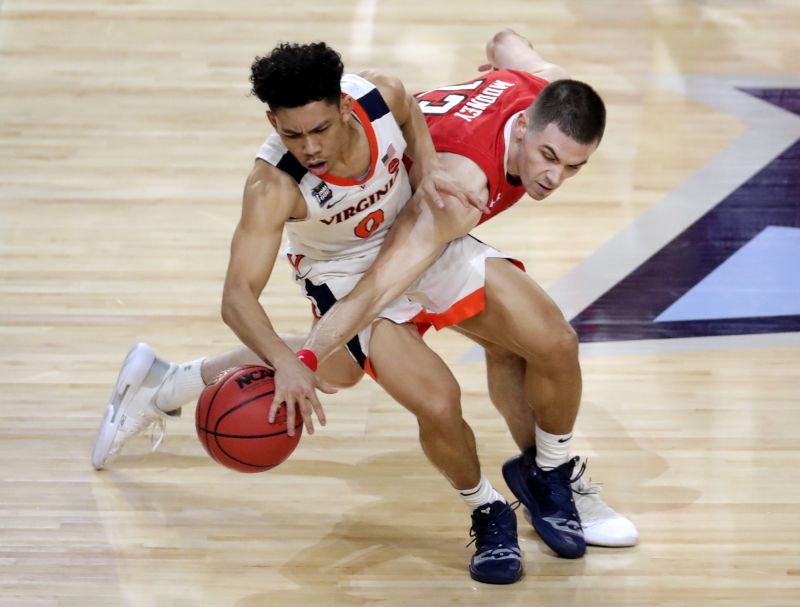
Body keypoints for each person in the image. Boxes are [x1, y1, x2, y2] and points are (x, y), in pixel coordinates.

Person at [92, 31, 636, 586]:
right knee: (433, 398)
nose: (309, 147)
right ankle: (486, 507)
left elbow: (418, 112)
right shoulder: (271, 186)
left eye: (321, 128)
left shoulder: (383, 95)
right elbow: (237, 298)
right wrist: (291, 362)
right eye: (292, 133)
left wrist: (425, 172)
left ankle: (550, 474)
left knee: (551, 340)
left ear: (347, 107)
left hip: (424, 233)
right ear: (272, 123)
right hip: (344, 273)